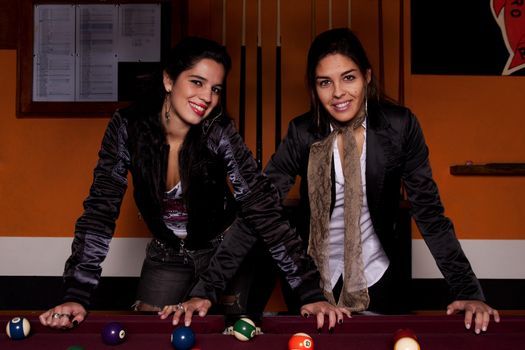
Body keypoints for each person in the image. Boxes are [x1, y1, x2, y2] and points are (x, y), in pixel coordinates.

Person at [39, 36, 348, 331]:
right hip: (166, 254)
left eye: (215, 89)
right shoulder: (127, 127)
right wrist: (75, 294)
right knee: (152, 335)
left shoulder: (220, 131)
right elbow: (101, 209)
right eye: (197, 83)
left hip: (224, 254)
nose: (206, 98)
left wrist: (310, 292)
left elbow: (261, 209)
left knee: (231, 336)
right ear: (169, 80)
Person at [261, 27, 500, 334]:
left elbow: (429, 213)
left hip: (378, 275)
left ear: (367, 77)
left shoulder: (400, 127)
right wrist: (208, 290)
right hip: (311, 281)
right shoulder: (302, 132)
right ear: (314, 87)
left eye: (349, 78)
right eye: (325, 82)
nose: (338, 93)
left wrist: (468, 290)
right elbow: (260, 208)